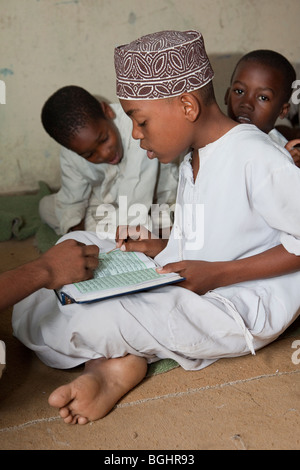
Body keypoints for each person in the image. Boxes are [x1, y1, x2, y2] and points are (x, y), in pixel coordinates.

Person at [12, 30, 300, 425]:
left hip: (235, 304)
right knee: (75, 244)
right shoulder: (193, 156)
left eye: (140, 120)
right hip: (190, 276)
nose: (134, 134)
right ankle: (120, 362)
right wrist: (159, 247)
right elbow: (218, 234)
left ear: (186, 105)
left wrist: (220, 273)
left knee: (60, 322)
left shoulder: (255, 155)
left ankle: (115, 366)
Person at [39, 85, 179, 238]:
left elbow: (135, 195)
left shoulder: (136, 127)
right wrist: (75, 229)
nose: (104, 154)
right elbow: (72, 200)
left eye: (104, 139)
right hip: (111, 204)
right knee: (46, 207)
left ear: (107, 111)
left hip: (156, 201)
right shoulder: (71, 154)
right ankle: (110, 234)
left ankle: (155, 232)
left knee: (171, 221)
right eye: (89, 154)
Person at [224, 49, 300, 167]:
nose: (247, 103)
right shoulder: (211, 139)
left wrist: (286, 166)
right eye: (239, 91)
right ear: (227, 96)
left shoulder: (283, 155)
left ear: (282, 110)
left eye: (263, 98)